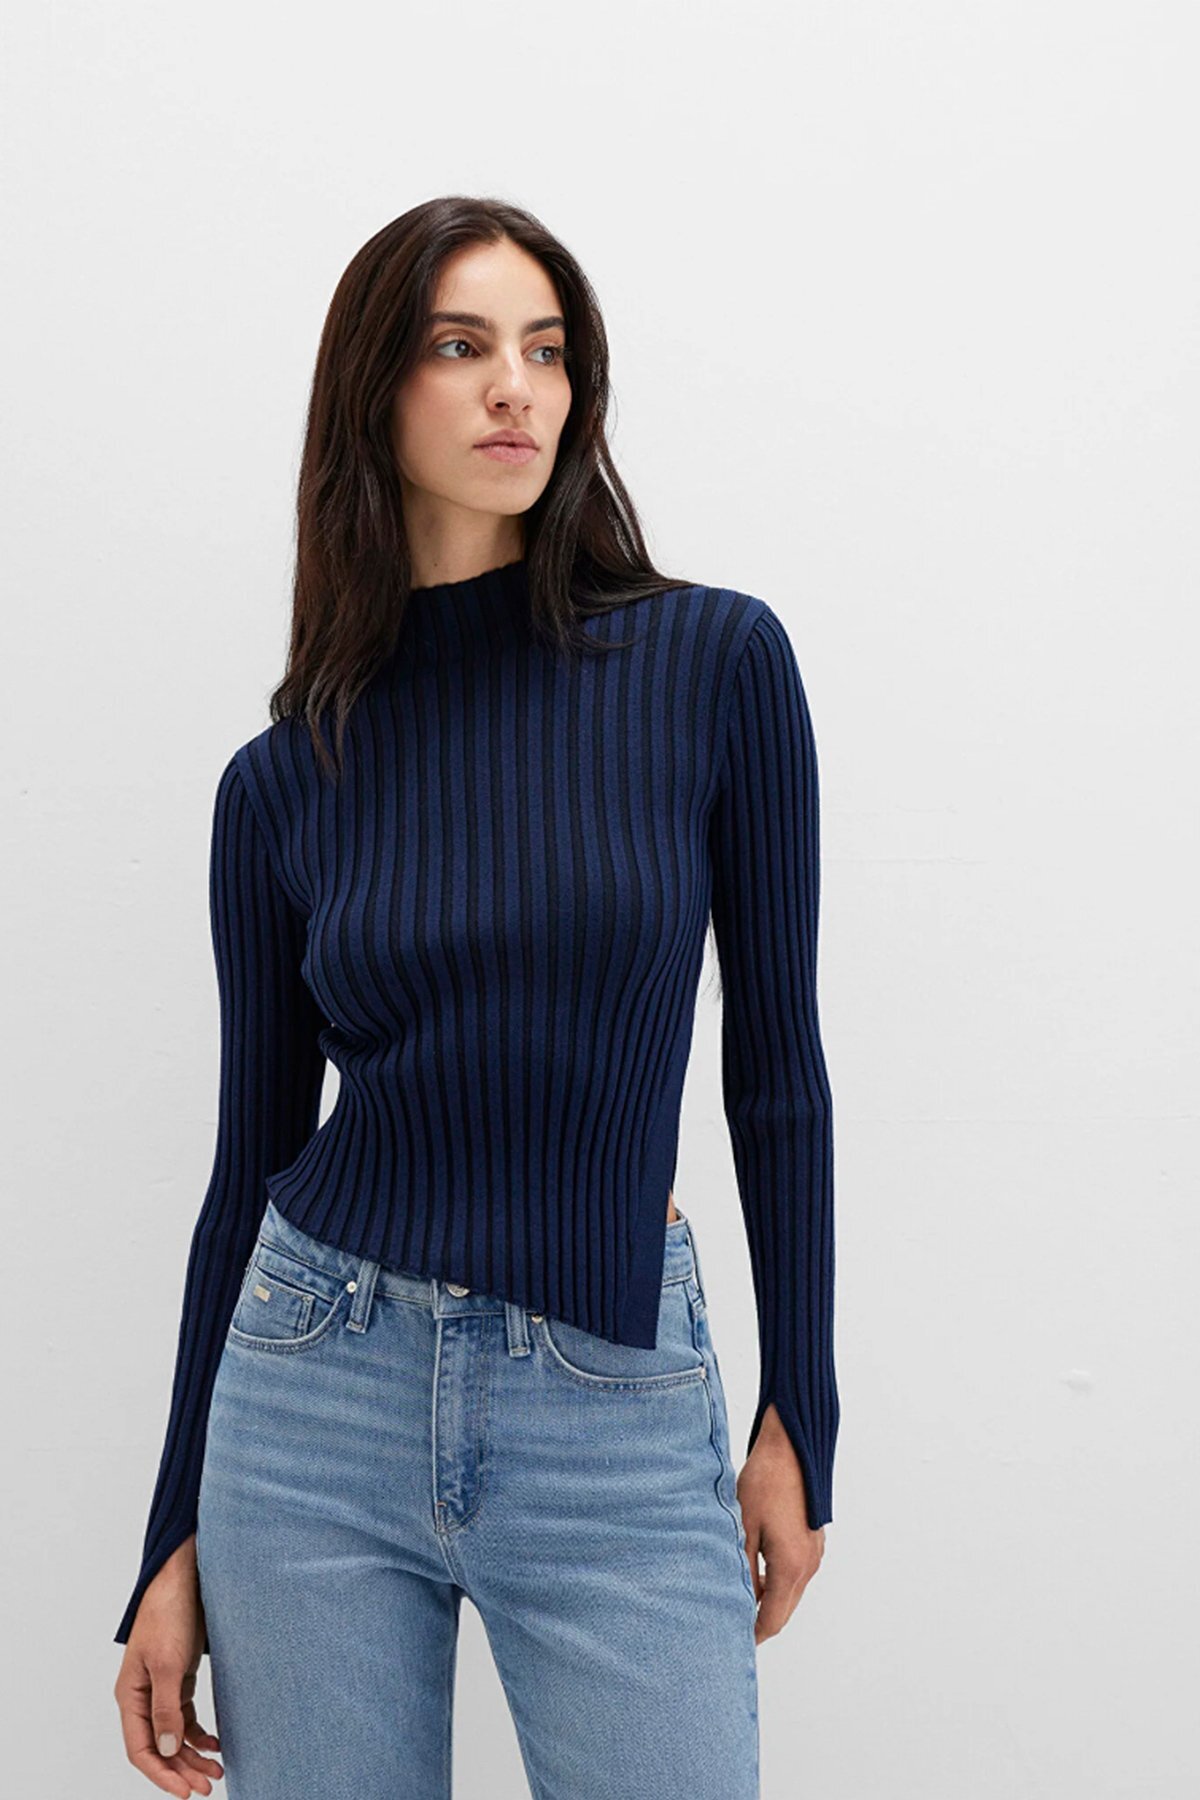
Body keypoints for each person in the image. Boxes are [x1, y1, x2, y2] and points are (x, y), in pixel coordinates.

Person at [112, 195, 839, 1800]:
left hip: (610, 1390)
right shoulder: (282, 781)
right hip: (313, 1391)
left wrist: (803, 1412)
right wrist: (170, 1536)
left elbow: (779, 1074)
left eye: (547, 349)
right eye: (461, 346)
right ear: (374, 392)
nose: (517, 387)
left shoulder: (714, 665)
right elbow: (248, 1167)